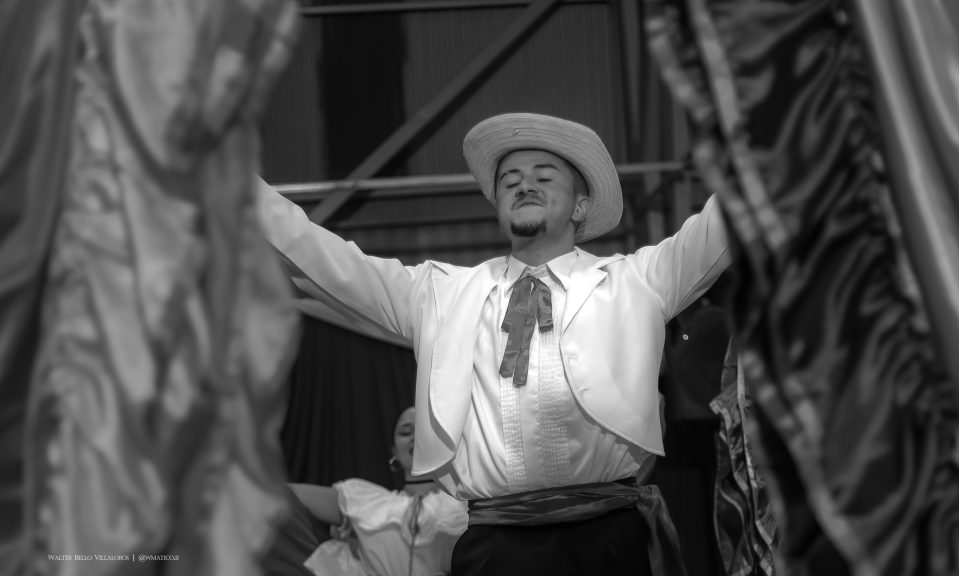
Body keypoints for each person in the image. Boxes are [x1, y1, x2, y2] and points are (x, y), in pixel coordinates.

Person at [258, 113, 731, 576]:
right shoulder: (440, 295)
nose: (525, 186)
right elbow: (324, 260)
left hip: (610, 539)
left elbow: (726, 220)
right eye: (510, 182)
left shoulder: (635, 281)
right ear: (499, 207)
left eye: (544, 176)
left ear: (581, 206)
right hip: (496, 547)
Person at [290, 406, 468, 576]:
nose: (416, 436)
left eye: (425, 429)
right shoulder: (366, 502)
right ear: (394, 452)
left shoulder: (468, 503)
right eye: (406, 432)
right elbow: (283, 494)